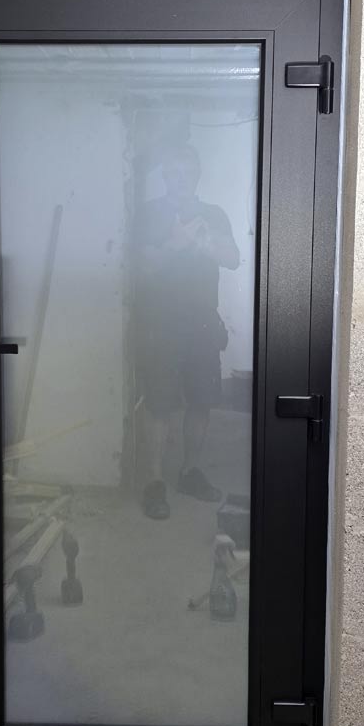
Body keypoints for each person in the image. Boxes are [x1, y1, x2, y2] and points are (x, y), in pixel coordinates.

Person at [134, 143, 240, 520]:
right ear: (165, 175)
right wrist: (175, 245)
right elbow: (142, 268)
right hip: (161, 322)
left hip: (202, 323)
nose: (180, 179)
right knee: (159, 402)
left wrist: (204, 241)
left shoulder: (213, 214)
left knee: (201, 400)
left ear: (197, 175)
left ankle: (189, 472)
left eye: (187, 172)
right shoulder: (149, 213)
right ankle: (154, 483)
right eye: (173, 173)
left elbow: (233, 259)